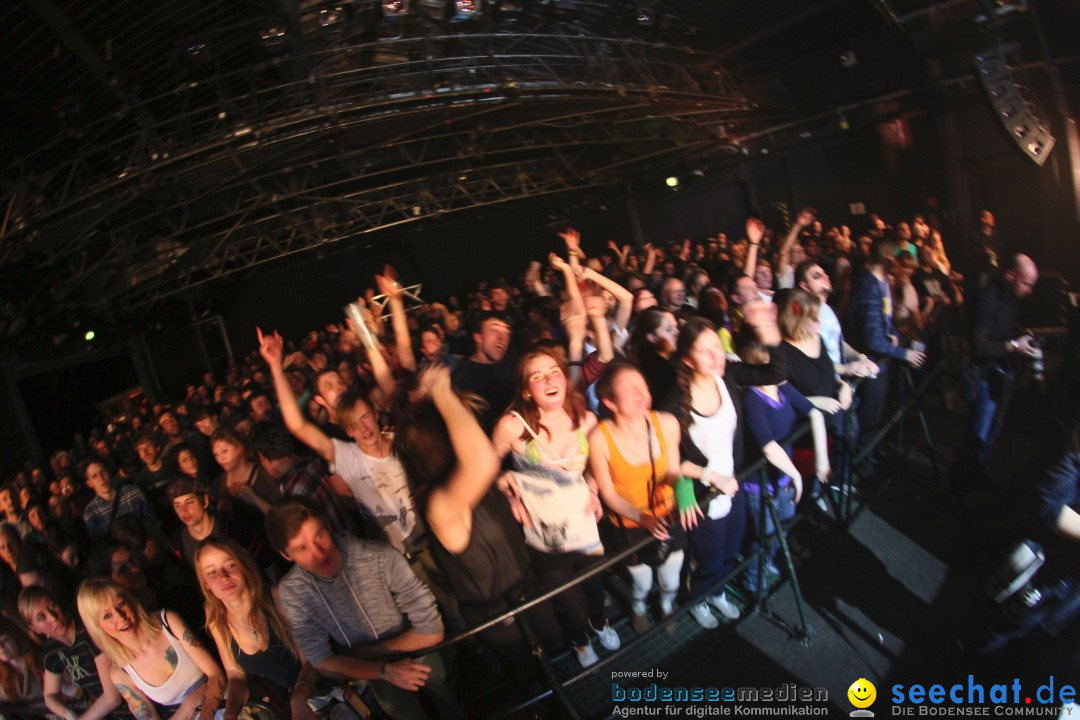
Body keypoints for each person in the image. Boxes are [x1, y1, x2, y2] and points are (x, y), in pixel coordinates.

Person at [269, 497, 463, 720]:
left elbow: (432, 629)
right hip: (368, 672)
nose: (318, 552)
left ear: (328, 526)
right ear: (286, 555)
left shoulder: (379, 557)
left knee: (450, 703)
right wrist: (382, 671)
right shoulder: (293, 592)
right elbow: (321, 660)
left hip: (418, 653)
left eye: (319, 536)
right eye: (302, 548)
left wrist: (371, 653)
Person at [491, 346, 620, 668]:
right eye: (537, 376)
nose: (549, 380)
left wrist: (592, 488)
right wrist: (507, 493)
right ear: (526, 390)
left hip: (583, 522)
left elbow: (594, 466)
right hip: (544, 534)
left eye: (554, 372)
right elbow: (486, 468)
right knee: (572, 604)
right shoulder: (512, 425)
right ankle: (579, 640)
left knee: (595, 589)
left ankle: (599, 623)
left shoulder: (585, 418)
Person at [194, 537, 380, 720]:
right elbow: (235, 675)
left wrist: (298, 698)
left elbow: (313, 660)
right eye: (211, 572)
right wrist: (230, 714)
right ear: (206, 585)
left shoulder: (277, 597)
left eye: (230, 566)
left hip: (341, 690)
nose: (223, 577)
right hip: (303, 704)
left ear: (244, 566)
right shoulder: (216, 619)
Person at [589, 362, 692, 633]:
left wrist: (686, 491)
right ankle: (638, 608)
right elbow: (608, 493)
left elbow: (673, 469)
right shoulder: (599, 438)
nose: (641, 393)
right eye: (630, 389)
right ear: (609, 401)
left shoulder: (667, 423)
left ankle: (667, 606)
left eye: (643, 386)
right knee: (642, 583)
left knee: (671, 579)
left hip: (667, 515)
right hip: (630, 524)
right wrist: (642, 517)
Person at [737, 333, 830, 594]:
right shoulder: (753, 400)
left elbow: (812, 411)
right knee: (763, 536)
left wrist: (822, 460)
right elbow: (768, 446)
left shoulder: (782, 386)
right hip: (762, 485)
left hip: (785, 478)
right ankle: (753, 582)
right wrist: (797, 475)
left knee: (784, 525)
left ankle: (773, 564)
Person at [951, 254, 1040, 497]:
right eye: (1026, 284)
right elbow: (979, 345)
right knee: (977, 434)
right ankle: (957, 489)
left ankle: (977, 476)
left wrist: (1020, 335)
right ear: (1010, 275)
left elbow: (1002, 331)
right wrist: (1013, 345)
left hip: (1001, 375)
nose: (1029, 290)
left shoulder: (1011, 296)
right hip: (985, 376)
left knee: (991, 432)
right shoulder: (987, 297)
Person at [77, 578, 226, 720]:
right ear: (97, 627)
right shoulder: (120, 673)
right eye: (108, 616)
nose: (121, 617)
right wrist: (189, 705)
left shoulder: (167, 622)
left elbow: (217, 675)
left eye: (120, 605)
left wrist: (204, 714)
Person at [19, 585, 123, 720]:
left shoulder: (86, 629)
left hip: (130, 705)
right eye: (41, 617)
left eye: (52, 606)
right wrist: (67, 713)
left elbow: (113, 697)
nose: (53, 617)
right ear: (35, 628)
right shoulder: (53, 650)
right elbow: (50, 695)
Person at [451, 312, 516, 433]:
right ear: (478, 337)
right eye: (494, 329)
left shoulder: (512, 367)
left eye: (506, 332)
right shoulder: (460, 381)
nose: (502, 337)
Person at [81, 461, 159, 541]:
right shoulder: (91, 513)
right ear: (89, 483)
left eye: (102, 472)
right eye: (94, 476)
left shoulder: (133, 493)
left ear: (108, 473)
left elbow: (153, 522)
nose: (101, 478)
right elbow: (102, 546)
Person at [210, 428, 281, 515]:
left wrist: (255, 499)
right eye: (216, 455)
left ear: (239, 447)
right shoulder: (219, 482)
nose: (220, 459)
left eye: (224, 451)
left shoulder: (265, 475)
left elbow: (282, 516)